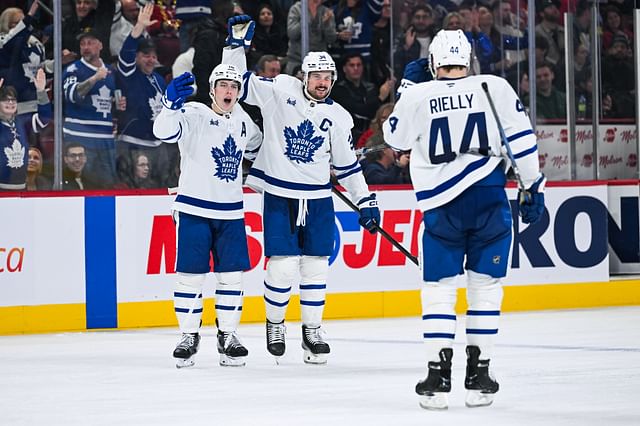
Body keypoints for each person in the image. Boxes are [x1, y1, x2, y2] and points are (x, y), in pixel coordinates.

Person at [383, 29, 545, 410]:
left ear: (434, 62)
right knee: (486, 287)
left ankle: (438, 378)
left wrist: (408, 87)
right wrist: (533, 188)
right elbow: (521, 140)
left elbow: (396, 141)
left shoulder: (419, 94)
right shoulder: (494, 86)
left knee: (439, 289)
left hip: (441, 207)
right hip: (489, 198)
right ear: (469, 59)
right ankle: (480, 376)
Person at [223, 16, 381, 364]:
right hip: (280, 196)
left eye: (327, 77)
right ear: (303, 77)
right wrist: (235, 47)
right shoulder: (280, 90)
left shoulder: (340, 117)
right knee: (281, 267)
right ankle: (275, 324)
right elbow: (239, 84)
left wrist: (365, 199)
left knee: (316, 267)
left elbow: (346, 166)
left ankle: (312, 332)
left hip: (319, 201)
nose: (322, 82)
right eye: (316, 76)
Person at [153, 65, 262, 368]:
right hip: (193, 209)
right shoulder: (193, 113)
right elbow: (162, 131)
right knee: (190, 277)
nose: (229, 91)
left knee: (231, 277)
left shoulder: (244, 121)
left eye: (234, 86)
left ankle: (228, 335)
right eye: (223, 85)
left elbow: (258, 148)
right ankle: (189, 336)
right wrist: (169, 105)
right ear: (213, 88)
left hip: (231, 212)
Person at [115, 4, 168, 185]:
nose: (151, 59)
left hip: (157, 146)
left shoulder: (159, 80)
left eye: (153, 56)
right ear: (137, 57)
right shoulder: (129, 75)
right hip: (132, 144)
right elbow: (125, 55)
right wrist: (138, 28)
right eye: (146, 55)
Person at [62, 30, 122, 188]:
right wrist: (94, 78)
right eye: (82, 44)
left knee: (108, 186)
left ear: (100, 45)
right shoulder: (73, 69)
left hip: (105, 140)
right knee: (83, 186)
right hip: (80, 139)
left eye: (90, 43)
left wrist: (119, 104)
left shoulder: (110, 71)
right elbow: (72, 94)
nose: (86, 47)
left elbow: (110, 103)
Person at [0, 69, 50, 191]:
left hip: (22, 188)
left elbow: (44, 119)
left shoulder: (22, 122)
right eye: (5, 100)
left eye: (13, 100)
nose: (10, 102)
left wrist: (41, 92)